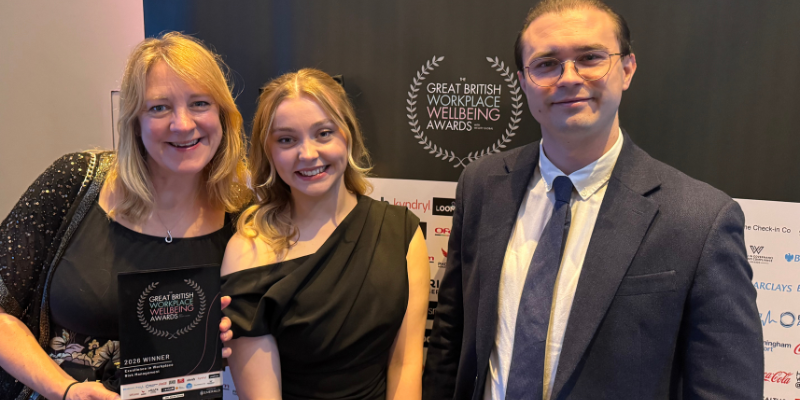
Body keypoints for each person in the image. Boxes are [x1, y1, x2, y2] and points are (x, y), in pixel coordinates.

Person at [422, 1, 763, 399]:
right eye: (546, 63)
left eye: (590, 58)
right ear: (523, 81)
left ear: (627, 69)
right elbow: (452, 333)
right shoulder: (481, 185)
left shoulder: (699, 221)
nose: (569, 78)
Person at [0, 32, 250, 400]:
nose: (182, 124)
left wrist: (234, 339)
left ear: (223, 115)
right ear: (134, 120)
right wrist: (65, 391)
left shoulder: (243, 213)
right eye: (159, 108)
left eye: (199, 103)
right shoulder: (77, 181)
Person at [220, 68, 429, 400]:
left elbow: (405, 366)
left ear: (347, 135)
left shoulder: (402, 233)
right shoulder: (247, 251)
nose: (308, 154)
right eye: (287, 139)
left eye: (323, 133)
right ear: (269, 151)